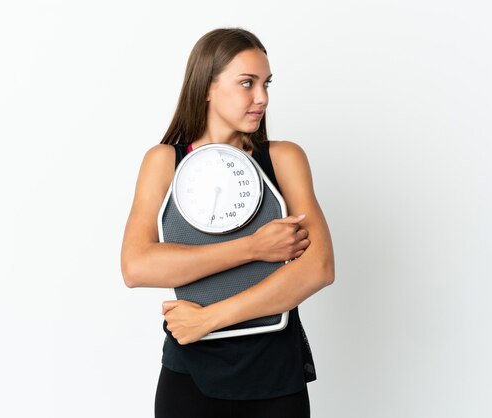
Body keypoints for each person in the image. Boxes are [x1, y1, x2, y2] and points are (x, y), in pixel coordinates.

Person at [120, 27, 335, 418]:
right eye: (247, 83)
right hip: (190, 379)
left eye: (266, 84)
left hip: (275, 376)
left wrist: (208, 319)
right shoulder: (164, 161)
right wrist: (252, 247)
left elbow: (318, 268)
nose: (262, 98)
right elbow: (136, 267)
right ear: (206, 87)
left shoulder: (284, 159)